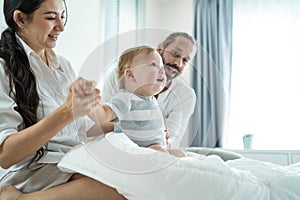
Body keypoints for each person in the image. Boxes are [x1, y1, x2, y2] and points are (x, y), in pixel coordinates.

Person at [0, 0, 125, 199]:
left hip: (68, 160)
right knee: (118, 191)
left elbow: (77, 130)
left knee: (135, 180)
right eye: (51, 17)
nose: (61, 27)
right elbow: (5, 156)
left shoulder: (62, 65)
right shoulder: (3, 69)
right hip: (29, 169)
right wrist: (67, 112)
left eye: (62, 16)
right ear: (21, 19)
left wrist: (131, 128)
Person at [101, 32, 197, 148]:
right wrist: (133, 130)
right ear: (160, 49)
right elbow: (104, 122)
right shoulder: (119, 77)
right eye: (175, 53)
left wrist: (164, 140)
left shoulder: (186, 95)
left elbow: (173, 138)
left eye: (186, 60)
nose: (178, 63)